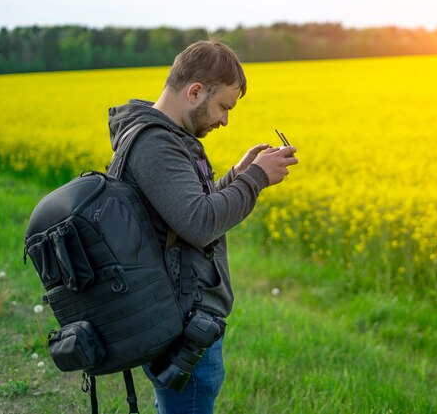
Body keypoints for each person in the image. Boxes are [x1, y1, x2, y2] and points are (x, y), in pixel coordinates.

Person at [107, 40, 298, 414]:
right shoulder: (156, 144)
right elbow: (200, 224)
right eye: (224, 106)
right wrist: (256, 178)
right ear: (195, 91)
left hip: (181, 316)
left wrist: (237, 177)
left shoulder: (164, 137)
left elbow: (186, 215)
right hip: (181, 323)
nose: (225, 120)